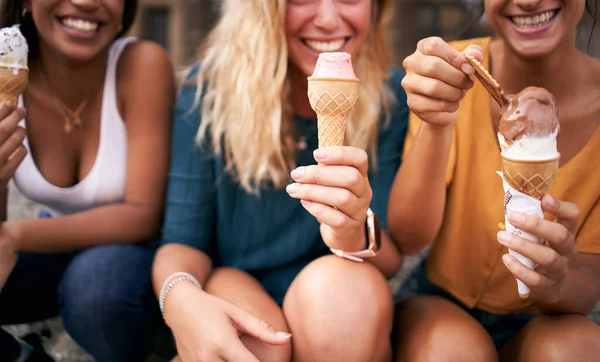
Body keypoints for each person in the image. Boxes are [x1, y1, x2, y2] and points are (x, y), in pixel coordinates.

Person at [152, 0, 409, 361]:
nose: (327, 19)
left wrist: (352, 231)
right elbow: (182, 242)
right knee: (260, 346)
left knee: (343, 298)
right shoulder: (208, 92)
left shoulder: (391, 95)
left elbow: (392, 257)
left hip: (342, 304)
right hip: (237, 282)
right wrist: (179, 299)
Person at [389, 0, 600, 361]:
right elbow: (408, 237)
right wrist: (438, 123)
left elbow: (590, 280)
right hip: (442, 303)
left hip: (549, 317)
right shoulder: (449, 73)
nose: (530, 0)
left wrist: (558, 284)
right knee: (452, 353)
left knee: (575, 349)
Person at [0, 0, 175, 361]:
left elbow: (142, 215)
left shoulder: (142, 63)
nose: (86, 1)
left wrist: (14, 235)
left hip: (130, 252)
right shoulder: (8, 72)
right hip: (48, 246)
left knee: (96, 294)